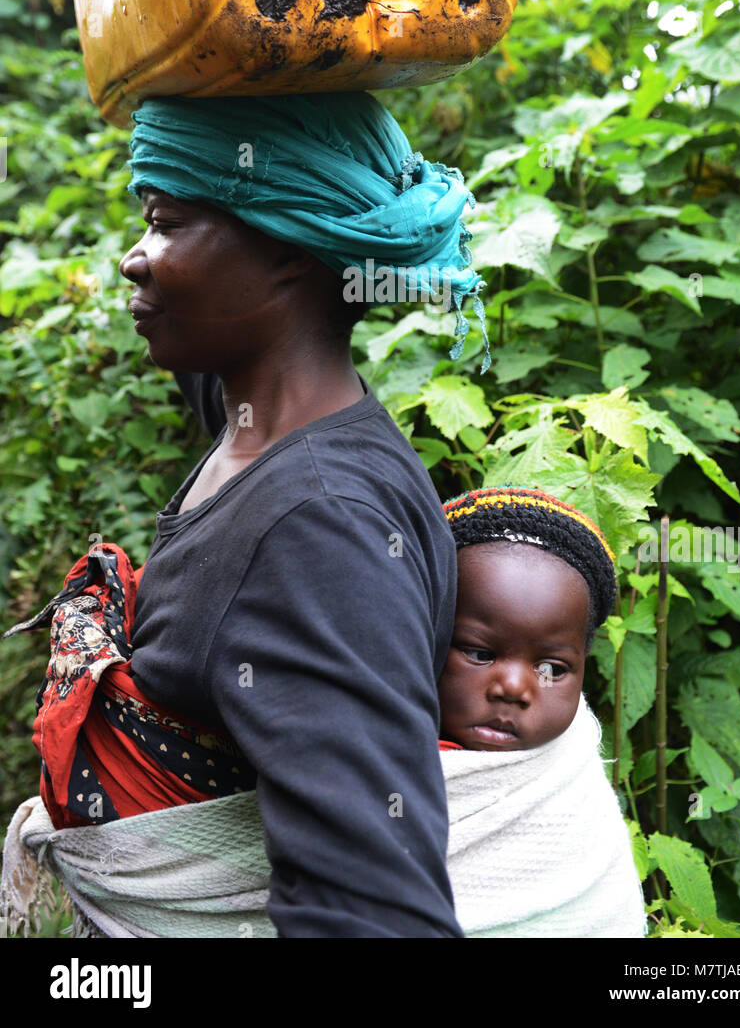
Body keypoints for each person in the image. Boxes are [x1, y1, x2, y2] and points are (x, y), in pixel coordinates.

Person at [3, 90, 492, 939]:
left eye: (165, 222)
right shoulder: (260, 419)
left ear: (289, 252)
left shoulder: (319, 530)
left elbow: (376, 915)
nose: (133, 258)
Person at [436, 485, 647, 938]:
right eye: (477, 652)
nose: (514, 688)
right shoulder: (365, 733)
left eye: (552, 667)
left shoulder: (574, 794)